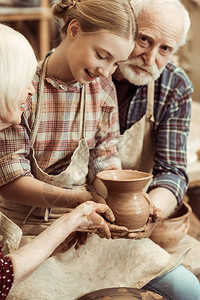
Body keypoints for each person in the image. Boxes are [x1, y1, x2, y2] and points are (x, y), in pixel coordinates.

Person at [0, 23, 114, 299]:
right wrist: (74, 211)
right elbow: (3, 276)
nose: (29, 90)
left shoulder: (103, 89)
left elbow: (106, 157)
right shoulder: (33, 97)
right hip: (22, 228)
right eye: (23, 80)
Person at [113, 0, 200, 299]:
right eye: (144, 40)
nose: (150, 58)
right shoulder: (87, 69)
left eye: (165, 49)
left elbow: (173, 171)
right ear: (126, 28)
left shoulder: (173, 84)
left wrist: (147, 212)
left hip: (133, 223)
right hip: (72, 217)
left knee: (188, 291)